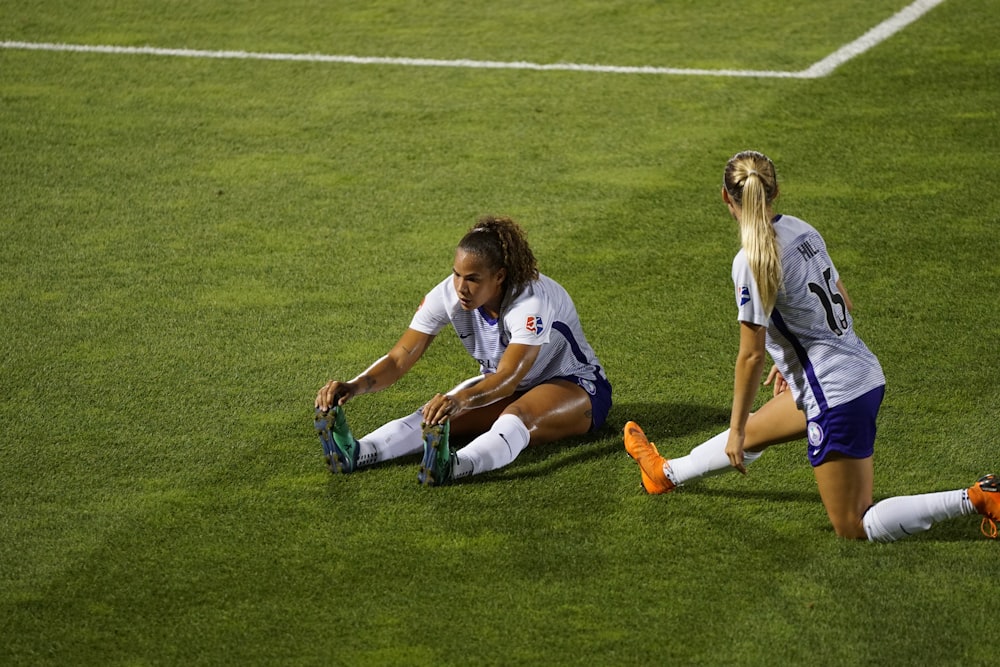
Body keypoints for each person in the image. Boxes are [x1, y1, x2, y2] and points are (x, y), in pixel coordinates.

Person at [624, 150, 998, 541]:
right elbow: (842, 301)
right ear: (776, 191)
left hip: (835, 395)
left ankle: (977, 497)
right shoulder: (803, 230)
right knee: (756, 432)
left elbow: (750, 355)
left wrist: (734, 427)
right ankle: (664, 475)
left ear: (725, 197)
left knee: (853, 524)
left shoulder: (750, 260)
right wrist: (790, 355)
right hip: (859, 371)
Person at [314, 215, 612, 486]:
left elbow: (509, 377)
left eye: (472, 279)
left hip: (575, 386)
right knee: (434, 416)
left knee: (516, 416)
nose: (461, 287)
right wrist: (353, 386)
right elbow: (399, 358)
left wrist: (461, 399)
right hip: (503, 384)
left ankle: (455, 467)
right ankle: (359, 451)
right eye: (457, 274)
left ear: (500, 276)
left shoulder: (531, 302)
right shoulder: (448, 294)